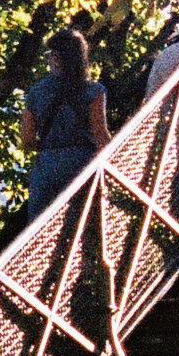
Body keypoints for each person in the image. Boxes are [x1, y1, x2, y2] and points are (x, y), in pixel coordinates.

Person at [20, 27, 109, 217]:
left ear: (55, 57)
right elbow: (100, 134)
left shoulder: (36, 92)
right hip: (83, 164)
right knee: (82, 226)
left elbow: (26, 139)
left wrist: (50, 147)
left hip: (47, 166)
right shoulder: (94, 92)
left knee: (40, 228)